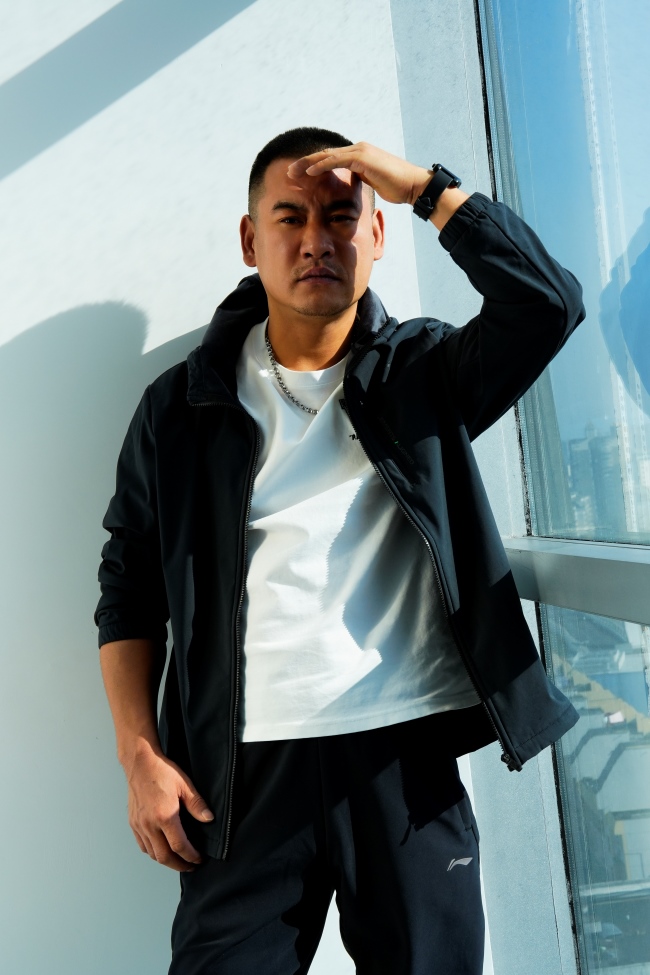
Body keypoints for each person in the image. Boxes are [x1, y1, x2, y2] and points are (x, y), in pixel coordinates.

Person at [96, 127, 585, 974]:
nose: (316, 240)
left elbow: (547, 303)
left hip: (402, 762)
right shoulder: (179, 408)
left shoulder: (425, 373)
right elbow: (129, 587)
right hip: (239, 776)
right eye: (290, 217)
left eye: (341, 216)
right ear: (251, 239)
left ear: (377, 233)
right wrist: (139, 753)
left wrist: (424, 188)